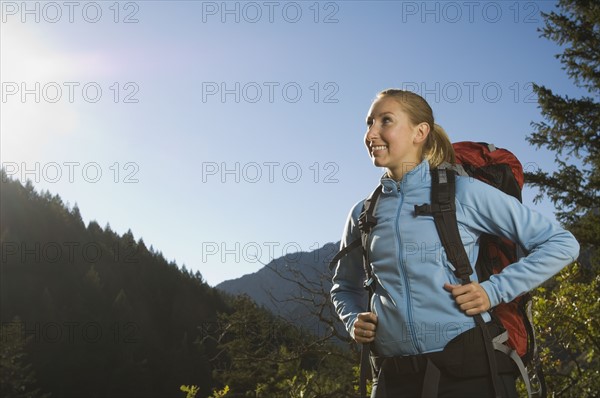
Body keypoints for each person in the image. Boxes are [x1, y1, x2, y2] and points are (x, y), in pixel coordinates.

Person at [330, 89, 580, 397]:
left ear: (420, 132)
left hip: (472, 371)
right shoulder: (363, 213)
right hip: (393, 378)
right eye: (369, 123)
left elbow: (561, 243)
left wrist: (493, 291)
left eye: (386, 121)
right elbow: (344, 286)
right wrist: (353, 319)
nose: (371, 133)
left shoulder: (463, 193)